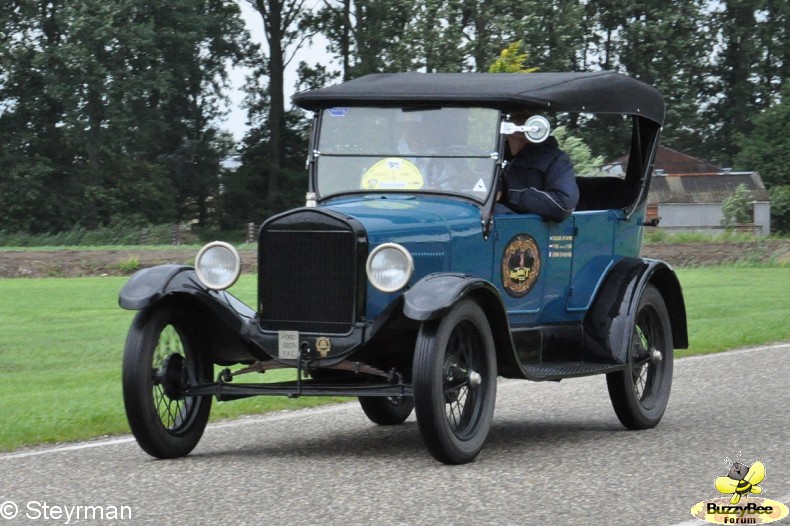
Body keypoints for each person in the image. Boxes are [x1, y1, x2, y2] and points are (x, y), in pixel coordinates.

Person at [495, 110, 579, 222]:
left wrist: (509, 195)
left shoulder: (555, 159)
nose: (521, 123)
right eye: (515, 117)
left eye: (526, 118)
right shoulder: (495, 155)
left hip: (525, 232)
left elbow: (562, 205)